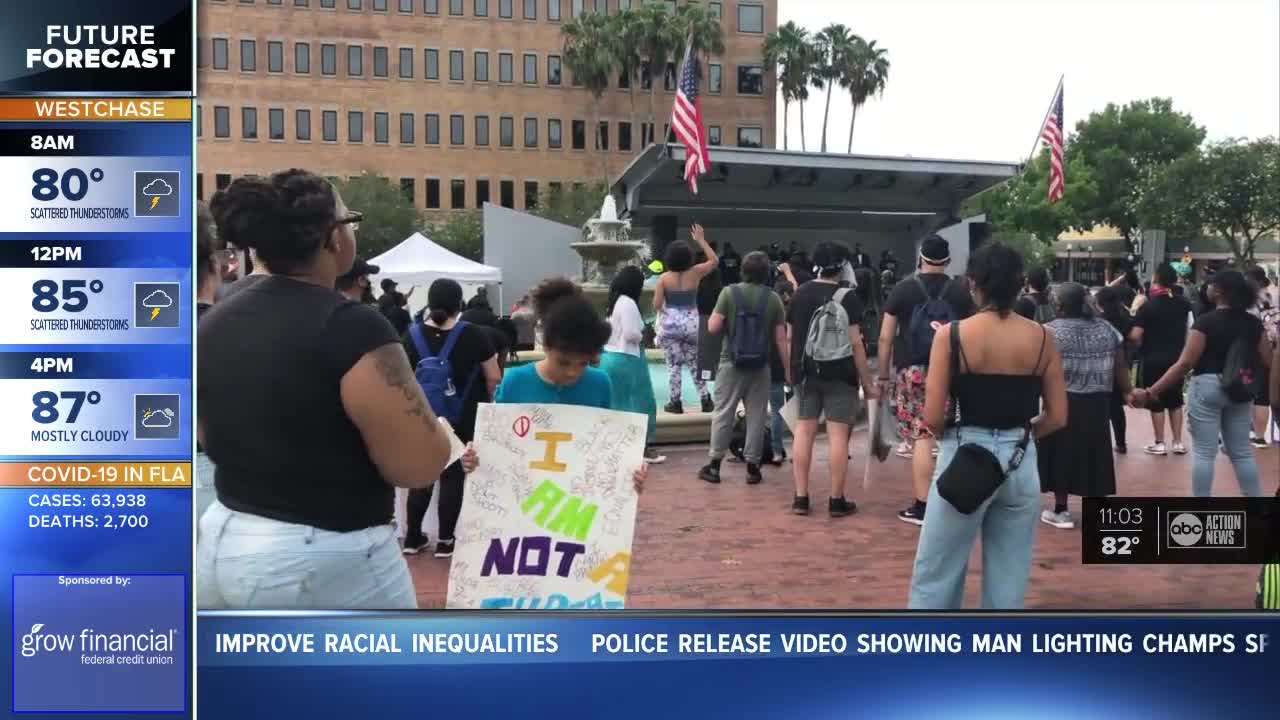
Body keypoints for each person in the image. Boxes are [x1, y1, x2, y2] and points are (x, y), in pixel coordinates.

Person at [198, 169, 454, 609]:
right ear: (334, 239)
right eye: (350, 221)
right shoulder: (351, 327)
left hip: (223, 535)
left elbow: (206, 431)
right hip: (324, 556)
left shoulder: (215, 317)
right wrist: (441, 437)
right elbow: (415, 467)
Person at [908, 242, 1067, 609]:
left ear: (972, 282)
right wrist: (1019, 438)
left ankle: (923, 655)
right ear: (1019, 284)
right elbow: (1058, 416)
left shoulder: (952, 335)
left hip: (964, 455)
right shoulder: (1043, 338)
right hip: (1020, 459)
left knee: (937, 572)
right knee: (1009, 575)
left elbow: (933, 416)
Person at [491, 278, 647, 492]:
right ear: (546, 346)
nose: (573, 371)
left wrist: (629, 476)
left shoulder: (600, 383)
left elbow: (603, 450)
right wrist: (475, 460)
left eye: (583, 363)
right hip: (525, 502)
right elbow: (497, 445)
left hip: (576, 506)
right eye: (563, 362)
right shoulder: (515, 382)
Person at [1134, 270, 1273, 497]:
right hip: (1240, 388)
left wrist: (1151, 391)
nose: (1207, 288)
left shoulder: (1206, 322)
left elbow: (1185, 363)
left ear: (1219, 291)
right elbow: (1268, 359)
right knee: (1241, 453)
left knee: (1204, 453)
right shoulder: (1253, 323)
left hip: (1207, 386)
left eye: (1210, 284)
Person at [877, 235, 976, 526]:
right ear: (947, 261)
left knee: (922, 436)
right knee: (948, 436)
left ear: (921, 257)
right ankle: (952, 500)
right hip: (951, 369)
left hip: (913, 370)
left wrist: (883, 374)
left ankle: (922, 506)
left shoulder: (903, 289)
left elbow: (885, 337)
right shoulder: (960, 292)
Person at [401, 279, 501, 557]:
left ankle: (412, 537)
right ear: (460, 304)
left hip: (423, 418)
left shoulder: (411, 336)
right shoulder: (476, 335)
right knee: (453, 475)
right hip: (463, 415)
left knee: (423, 474)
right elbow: (493, 377)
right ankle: (446, 540)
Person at [786, 243, 878, 516]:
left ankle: (801, 498)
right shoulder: (848, 297)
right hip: (841, 374)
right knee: (838, 436)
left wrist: (792, 371)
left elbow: (791, 337)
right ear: (842, 267)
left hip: (806, 372)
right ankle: (836, 500)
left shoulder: (800, 294)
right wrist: (866, 382)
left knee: (804, 431)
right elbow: (856, 344)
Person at [1037, 283, 1131, 529]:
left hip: (1062, 400)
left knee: (1061, 452)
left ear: (1059, 305)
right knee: (1096, 451)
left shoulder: (1049, 331)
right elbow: (1120, 365)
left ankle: (1061, 510)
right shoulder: (1106, 329)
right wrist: (1129, 391)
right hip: (1099, 400)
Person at [698, 252, 789, 486]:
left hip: (731, 362)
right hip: (761, 366)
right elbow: (781, 339)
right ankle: (752, 468)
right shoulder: (773, 299)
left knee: (723, 413)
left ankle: (715, 466)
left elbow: (713, 327)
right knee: (757, 416)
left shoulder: (729, 293)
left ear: (743, 270)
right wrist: (788, 369)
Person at [600, 266, 666, 464]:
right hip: (626, 358)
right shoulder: (628, 303)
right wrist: (642, 334)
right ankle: (642, 449)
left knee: (618, 404)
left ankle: (621, 448)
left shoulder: (614, 302)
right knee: (640, 402)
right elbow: (630, 334)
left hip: (610, 357)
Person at [1129, 263, 1193, 456]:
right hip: (1176, 360)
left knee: (1155, 400)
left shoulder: (1147, 306)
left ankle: (1160, 442)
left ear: (1156, 280)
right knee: (1175, 401)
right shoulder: (1184, 303)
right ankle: (1178, 442)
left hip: (1152, 359)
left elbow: (1135, 335)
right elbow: (1191, 329)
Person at [653, 224, 717, 414]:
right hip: (692, 323)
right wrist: (701, 240)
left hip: (671, 325)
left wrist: (666, 309)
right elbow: (714, 261)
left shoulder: (664, 278)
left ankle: (675, 402)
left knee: (673, 365)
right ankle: (706, 399)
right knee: (694, 362)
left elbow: (657, 304)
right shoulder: (696, 273)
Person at [1095, 286, 1135, 453]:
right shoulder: (1126, 318)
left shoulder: (1098, 321)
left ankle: (1100, 443)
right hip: (1121, 363)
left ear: (1100, 303)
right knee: (1116, 408)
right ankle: (1121, 443)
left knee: (1099, 408)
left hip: (1101, 366)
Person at [1246, 266, 1278, 447]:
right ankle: (1259, 435)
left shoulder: (1251, 300)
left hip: (1255, 349)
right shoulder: (1274, 293)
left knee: (1250, 391)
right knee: (1265, 394)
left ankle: (1253, 432)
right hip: (1274, 347)